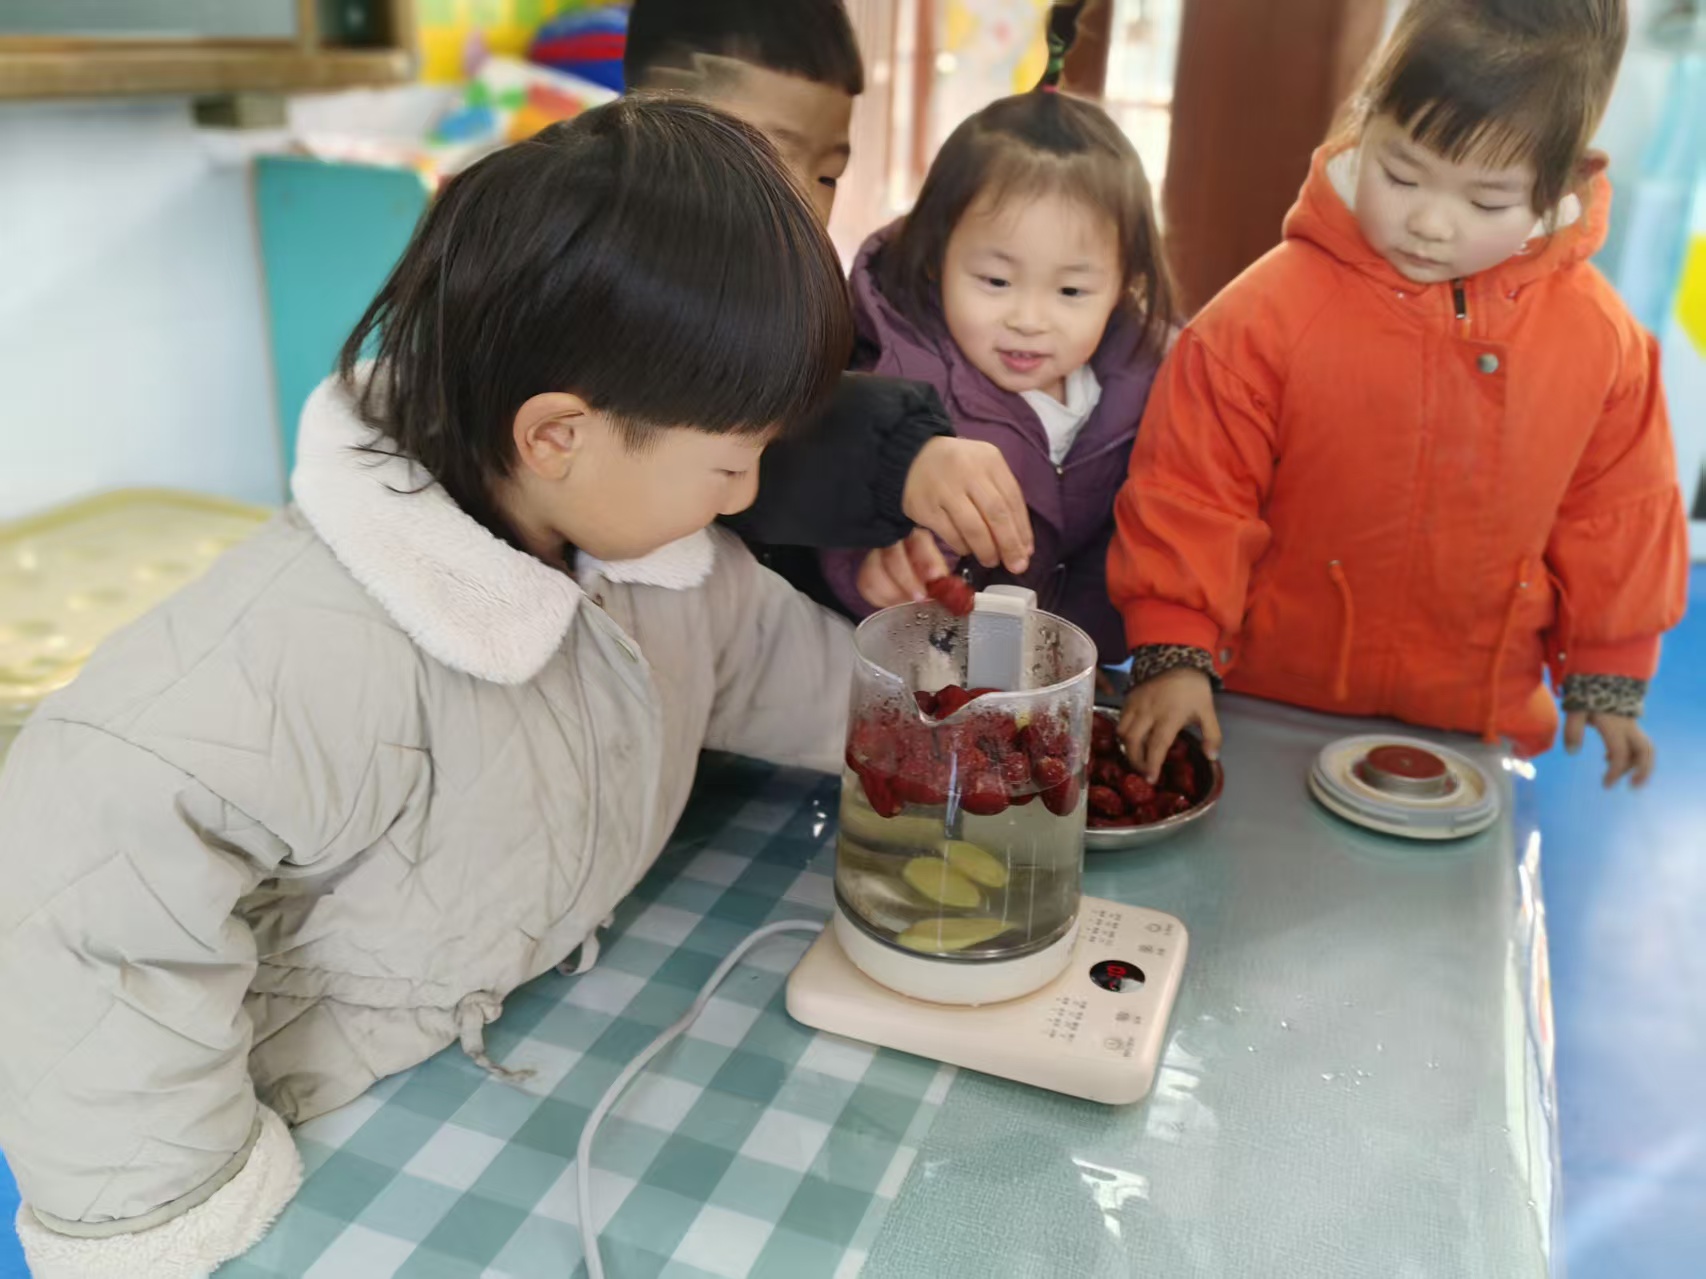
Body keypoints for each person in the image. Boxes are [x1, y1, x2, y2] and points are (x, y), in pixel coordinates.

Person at [0, 98, 857, 1277]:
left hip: (491, 1047)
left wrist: (930, 722)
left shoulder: (655, 560)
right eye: (729, 458)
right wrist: (174, 1210)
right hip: (295, 1124)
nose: (747, 490)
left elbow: (764, 658)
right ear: (560, 435)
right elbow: (77, 879)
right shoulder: (318, 639)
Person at [1111, 0, 1689, 787]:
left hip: (1472, 732)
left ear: (1561, 190)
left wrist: (1610, 670)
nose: (1430, 222)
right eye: (1400, 172)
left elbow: (1617, 515)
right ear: (1363, 124)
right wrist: (1175, 648)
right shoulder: (1262, 319)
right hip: (1262, 710)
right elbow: (1192, 491)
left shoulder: (1604, 345)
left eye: (1485, 201)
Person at [624, 0, 1037, 598]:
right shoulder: (602, 280)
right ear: (643, 122)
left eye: (826, 176)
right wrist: (894, 461)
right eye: (768, 157)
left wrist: (868, 552)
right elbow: (695, 435)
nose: (806, 206)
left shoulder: (805, 301)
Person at [818, 1, 1175, 667]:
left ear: (1124, 281)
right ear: (937, 260)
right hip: (940, 680)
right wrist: (876, 561)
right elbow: (850, 487)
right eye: (995, 281)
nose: (1030, 318)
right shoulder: (899, 381)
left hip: (1080, 680)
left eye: (1071, 290)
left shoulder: (1146, 382)